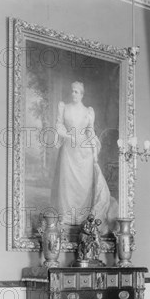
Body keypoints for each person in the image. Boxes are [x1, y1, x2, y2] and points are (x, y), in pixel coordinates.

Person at [50, 81, 116, 230]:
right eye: (72, 91)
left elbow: (90, 131)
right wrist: (68, 136)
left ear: (82, 94)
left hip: (84, 151)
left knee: (84, 184)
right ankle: (67, 216)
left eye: (77, 91)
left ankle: (82, 216)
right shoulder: (64, 107)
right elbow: (59, 126)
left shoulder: (88, 111)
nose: (73, 94)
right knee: (67, 183)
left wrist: (93, 149)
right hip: (68, 150)